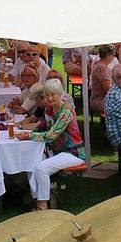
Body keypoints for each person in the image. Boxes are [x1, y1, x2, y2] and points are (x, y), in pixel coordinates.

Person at [26, 80, 87, 211]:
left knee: (41, 168)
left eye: (53, 94)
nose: (49, 98)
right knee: (31, 162)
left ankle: (42, 205)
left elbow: (51, 135)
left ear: (60, 94)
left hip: (73, 152)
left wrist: (29, 136)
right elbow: (42, 127)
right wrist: (27, 132)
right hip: (56, 151)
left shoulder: (66, 113)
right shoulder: (49, 109)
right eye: (47, 95)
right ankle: (39, 197)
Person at [89, 44, 115, 114]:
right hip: (100, 100)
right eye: (113, 54)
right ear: (108, 55)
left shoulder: (99, 64)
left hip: (102, 98)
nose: (114, 57)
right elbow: (108, 89)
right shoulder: (101, 68)